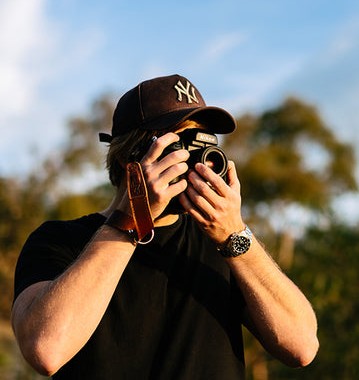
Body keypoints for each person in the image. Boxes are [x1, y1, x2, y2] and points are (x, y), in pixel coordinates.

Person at [11, 74, 319, 379]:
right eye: (180, 143)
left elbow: (301, 347)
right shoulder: (60, 240)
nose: (199, 160)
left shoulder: (221, 244)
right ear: (129, 155)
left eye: (204, 142)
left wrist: (235, 235)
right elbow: (46, 350)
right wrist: (131, 219)